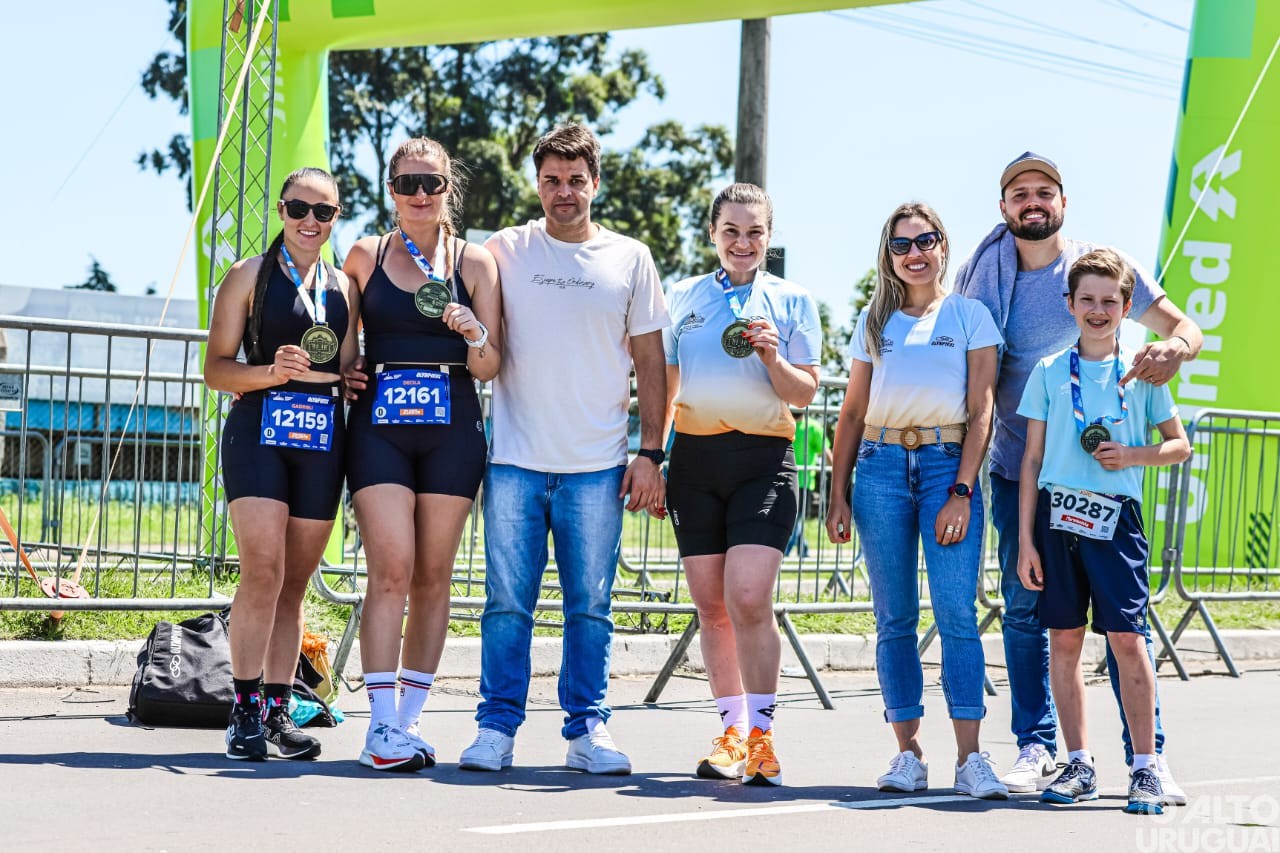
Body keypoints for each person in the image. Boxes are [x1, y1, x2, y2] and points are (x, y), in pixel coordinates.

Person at [954, 153, 1202, 800]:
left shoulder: (1098, 267)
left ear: (1063, 201)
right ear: (1004, 207)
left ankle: (1147, 757)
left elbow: (1183, 325)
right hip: (1022, 466)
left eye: (1044, 191)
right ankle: (1043, 748)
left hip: (1105, 492)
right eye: (1019, 194)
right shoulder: (986, 273)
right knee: (1028, 610)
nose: (1032, 202)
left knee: (1124, 630)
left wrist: (1177, 348)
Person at [458, 123, 668, 775]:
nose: (564, 192)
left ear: (596, 183)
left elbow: (652, 362)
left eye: (576, 180)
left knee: (590, 606)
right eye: (551, 179)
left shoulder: (630, 258)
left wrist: (651, 452)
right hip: (516, 460)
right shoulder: (504, 250)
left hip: (598, 466)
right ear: (538, 183)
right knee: (506, 603)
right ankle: (496, 728)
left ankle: (587, 729)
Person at [826, 203, 1008, 800]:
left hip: (944, 468)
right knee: (894, 619)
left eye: (925, 240)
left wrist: (961, 489)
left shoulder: (970, 315)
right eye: (902, 245)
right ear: (890, 255)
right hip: (878, 470)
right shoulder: (874, 321)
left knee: (957, 613)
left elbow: (981, 411)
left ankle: (971, 759)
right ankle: (907, 754)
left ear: (942, 245)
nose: (915, 253)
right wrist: (838, 493)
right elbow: (851, 412)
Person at [341, 137, 502, 772]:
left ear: (448, 190)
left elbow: (490, 367)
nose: (419, 194)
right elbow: (344, 349)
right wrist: (346, 374)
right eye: (407, 183)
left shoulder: (476, 262)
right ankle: (379, 727)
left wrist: (473, 332)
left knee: (434, 577)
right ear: (391, 189)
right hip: (379, 425)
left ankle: (406, 725)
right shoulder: (363, 254)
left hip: (452, 425)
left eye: (431, 183)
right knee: (392, 567)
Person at [1017, 248, 1191, 814]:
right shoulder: (1048, 372)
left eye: (1109, 301)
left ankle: (1145, 768)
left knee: (1126, 640)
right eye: (1086, 299)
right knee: (1063, 641)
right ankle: (1079, 762)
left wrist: (1134, 455)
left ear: (1125, 307)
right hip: (1055, 519)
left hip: (1117, 522)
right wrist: (1024, 540)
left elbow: (1180, 445)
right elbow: (1031, 460)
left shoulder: (1143, 371)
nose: (1098, 309)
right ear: (1069, 305)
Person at [662, 183, 822, 786]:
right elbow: (668, 385)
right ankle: (730, 731)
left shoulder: (792, 300)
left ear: (769, 238)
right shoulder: (683, 297)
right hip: (695, 461)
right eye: (731, 230)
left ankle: (762, 736)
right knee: (711, 606)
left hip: (764, 458)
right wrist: (653, 457)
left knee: (749, 597)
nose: (743, 242)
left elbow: (804, 394)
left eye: (755, 232)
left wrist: (773, 360)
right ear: (712, 233)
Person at [205, 167, 359, 761]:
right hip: (260, 430)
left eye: (323, 213)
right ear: (280, 209)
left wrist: (352, 379)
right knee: (262, 572)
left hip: (322, 437)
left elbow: (345, 366)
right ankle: (242, 711)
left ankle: (276, 712)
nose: (310, 222)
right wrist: (270, 373)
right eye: (299, 209)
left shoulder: (344, 286)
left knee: (294, 584)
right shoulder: (249, 275)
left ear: (336, 217)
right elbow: (216, 369)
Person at [785, 413, 832, 558]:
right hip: (784, 481)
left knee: (794, 520)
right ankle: (803, 551)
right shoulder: (784, 424)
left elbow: (827, 453)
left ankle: (784, 555)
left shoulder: (813, 427)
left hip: (804, 484)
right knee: (793, 521)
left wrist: (837, 474)